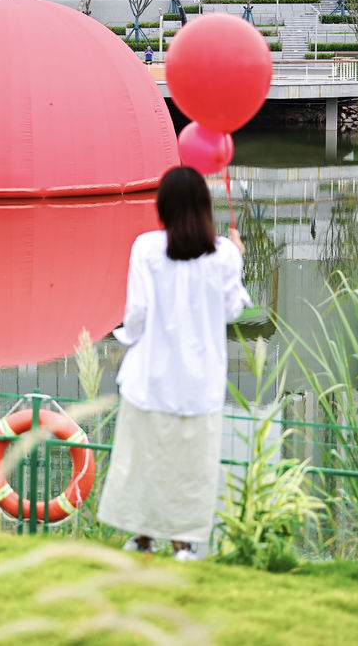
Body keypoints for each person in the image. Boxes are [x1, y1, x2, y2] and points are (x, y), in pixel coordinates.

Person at [97, 165, 250, 561]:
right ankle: (184, 544)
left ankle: (142, 538)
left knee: (142, 460)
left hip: (150, 376)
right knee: (191, 467)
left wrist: (126, 340)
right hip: (199, 384)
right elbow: (232, 309)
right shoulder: (223, 256)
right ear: (204, 207)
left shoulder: (146, 248)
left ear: (162, 206)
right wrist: (237, 254)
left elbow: (137, 313)